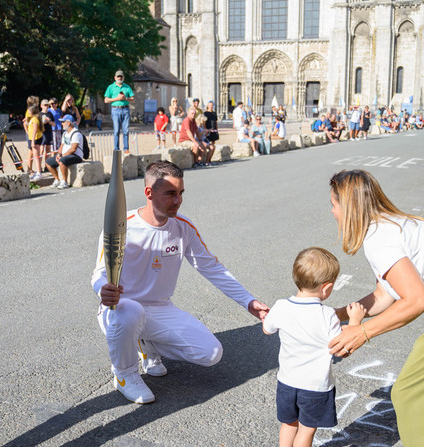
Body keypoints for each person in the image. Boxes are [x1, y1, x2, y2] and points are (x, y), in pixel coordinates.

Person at [92, 161, 270, 404]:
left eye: (180, 193)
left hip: (160, 308)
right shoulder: (122, 226)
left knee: (211, 354)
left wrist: (248, 301)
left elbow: (211, 267)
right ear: (149, 193)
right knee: (132, 311)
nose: (178, 201)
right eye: (170, 194)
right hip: (120, 307)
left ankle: (146, 341)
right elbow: (100, 273)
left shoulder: (183, 228)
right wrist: (103, 289)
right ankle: (125, 374)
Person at [328, 169, 424, 447]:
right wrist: (336, 315)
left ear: (347, 207)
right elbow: (384, 295)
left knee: (407, 392)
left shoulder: (379, 238)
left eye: (334, 204)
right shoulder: (389, 225)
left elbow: (416, 300)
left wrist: (361, 332)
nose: (331, 211)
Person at [264, 247, 365, 447]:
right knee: (307, 429)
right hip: (315, 386)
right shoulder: (327, 315)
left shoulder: (281, 306)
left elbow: (268, 329)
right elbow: (342, 350)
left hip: (286, 381)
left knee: (289, 424)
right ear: (326, 288)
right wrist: (354, 322)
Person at [45, 115, 84, 189]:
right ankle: (57, 180)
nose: (62, 124)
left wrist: (62, 156)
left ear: (69, 123)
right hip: (65, 154)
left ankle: (64, 182)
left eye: (63, 122)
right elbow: (62, 145)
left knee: (62, 161)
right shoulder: (65, 133)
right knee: (48, 162)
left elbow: (73, 149)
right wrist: (58, 154)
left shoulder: (76, 133)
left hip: (76, 156)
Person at [104, 69, 135, 153]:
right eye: (118, 76)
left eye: (121, 76)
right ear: (115, 77)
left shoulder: (127, 87)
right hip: (115, 109)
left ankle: (126, 148)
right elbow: (106, 100)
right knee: (116, 130)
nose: (119, 78)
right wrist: (116, 98)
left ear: (123, 78)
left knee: (126, 130)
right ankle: (116, 149)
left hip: (125, 109)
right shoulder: (110, 87)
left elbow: (133, 99)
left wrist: (126, 98)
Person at [26, 105, 43, 181]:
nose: (28, 112)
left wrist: (32, 141)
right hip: (33, 138)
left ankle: (39, 172)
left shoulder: (35, 119)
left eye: (29, 111)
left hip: (35, 139)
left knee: (36, 156)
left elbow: (35, 130)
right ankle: (38, 171)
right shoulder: (33, 119)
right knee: (35, 155)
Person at [23, 96, 39, 175]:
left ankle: (30, 168)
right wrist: (28, 132)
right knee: (31, 151)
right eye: (37, 102)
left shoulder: (32, 111)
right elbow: (25, 123)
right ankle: (29, 168)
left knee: (32, 151)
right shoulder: (29, 111)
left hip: (31, 133)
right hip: (30, 133)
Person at [40, 99, 55, 170]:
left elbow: (54, 124)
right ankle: (39, 166)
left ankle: (47, 166)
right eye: (45, 105)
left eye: (47, 105)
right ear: (41, 106)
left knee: (48, 150)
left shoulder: (50, 114)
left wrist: (49, 122)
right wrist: (44, 122)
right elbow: (37, 125)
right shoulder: (39, 114)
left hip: (49, 132)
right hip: (42, 133)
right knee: (41, 150)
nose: (46, 107)